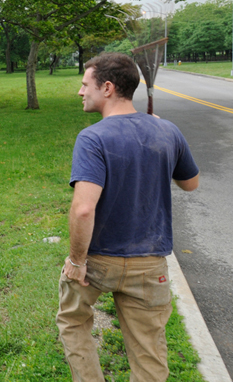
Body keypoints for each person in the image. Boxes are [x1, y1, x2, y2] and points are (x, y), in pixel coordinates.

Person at [56, 53, 200, 381]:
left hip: (98, 262)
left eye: (84, 84)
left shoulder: (92, 138)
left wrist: (77, 261)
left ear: (107, 87)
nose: (80, 92)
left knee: (73, 320)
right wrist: (163, 141)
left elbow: (83, 208)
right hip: (150, 265)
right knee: (149, 350)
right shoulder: (167, 131)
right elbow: (190, 184)